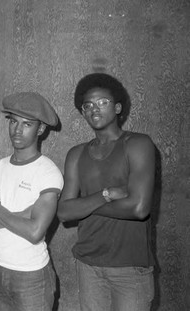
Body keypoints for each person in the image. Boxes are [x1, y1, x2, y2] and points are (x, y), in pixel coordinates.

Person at [57, 73, 156, 311]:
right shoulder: (76, 154)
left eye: (103, 102)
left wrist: (84, 206)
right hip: (88, 264)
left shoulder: (138, 144)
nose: (94, 109)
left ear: (118, 107)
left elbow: (139, 208)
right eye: (88, 105)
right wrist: (107, 194)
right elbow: (64, 212)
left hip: (130, 268)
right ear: (82, 112)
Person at [0, 92, 63, 310]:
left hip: (32, 276)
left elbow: (35, 232)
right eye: (13, 122)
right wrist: (24, 215)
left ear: (41, 129)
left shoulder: (48, 172)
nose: (17, 130)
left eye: (27, 124)